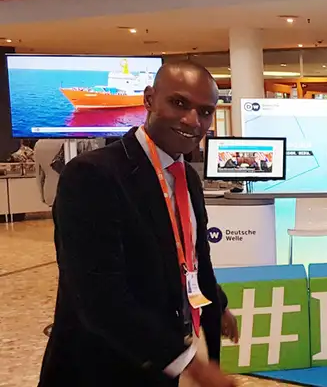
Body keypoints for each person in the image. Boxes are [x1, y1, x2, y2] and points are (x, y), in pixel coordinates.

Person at [38, 61, 236, 387]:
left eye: (205, 112)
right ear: (148, 99)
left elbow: (192, 258)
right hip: (103, 368)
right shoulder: (92, 175)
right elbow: (99, 297)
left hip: (164, 360)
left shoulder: (187, 177)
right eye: (179, 103)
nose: (192, 120)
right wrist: (186, 363)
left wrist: (219, 305)